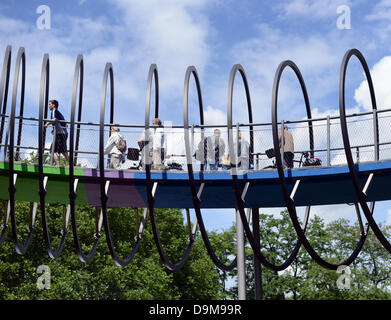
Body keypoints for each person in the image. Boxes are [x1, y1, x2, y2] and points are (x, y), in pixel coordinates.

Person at [44, 99, 69, 166]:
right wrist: (54, 130)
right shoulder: (57, 112)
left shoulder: (54, 112)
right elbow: (64, 123)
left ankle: (70, 164)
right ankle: (58, 165)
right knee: (54, 150)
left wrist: (47, 123)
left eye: (49, 104)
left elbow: (54, 120)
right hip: (60, 134)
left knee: (61, 151)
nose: (49, 106)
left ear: (53, 105)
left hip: (61, 134)